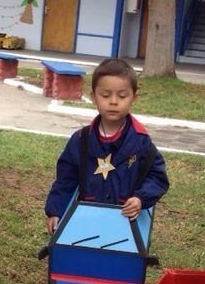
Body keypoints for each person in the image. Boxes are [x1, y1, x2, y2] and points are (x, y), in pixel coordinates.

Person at [44, 58, 170, 235]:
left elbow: (157, 177)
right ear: (94, 97)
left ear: (134, 98)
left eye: (122, 96)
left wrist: (140, 199)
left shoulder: (141, 142)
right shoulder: (80, 140)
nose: (113, 101)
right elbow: (66, 179)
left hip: (125, 223)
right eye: (105, 95)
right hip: (86, 221)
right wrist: (56, 210)